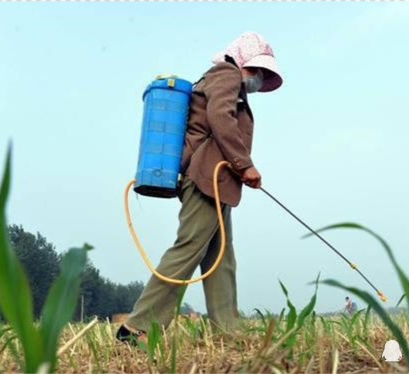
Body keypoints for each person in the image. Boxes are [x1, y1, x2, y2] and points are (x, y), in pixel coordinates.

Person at [116, 31, 283, 343]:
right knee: (189, 248)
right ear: (244, 61)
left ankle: (228, 330)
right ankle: (136, 327)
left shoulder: (227, 82)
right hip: (207, 178)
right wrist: (244, 164)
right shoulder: (225, 73)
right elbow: (220, 117)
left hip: (217, 181)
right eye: (259, 70)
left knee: (220, 256)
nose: (260, 78)